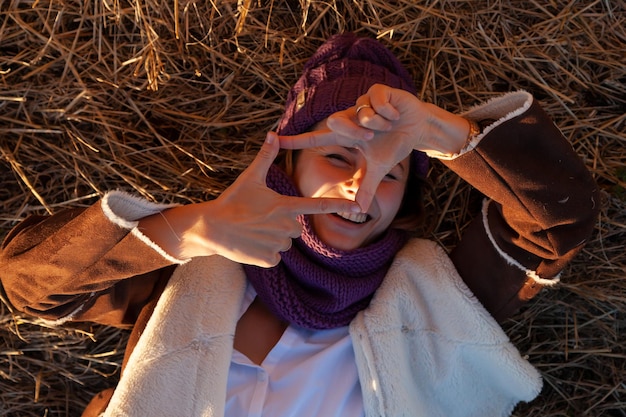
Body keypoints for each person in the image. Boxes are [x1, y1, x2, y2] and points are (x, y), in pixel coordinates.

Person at [0, 33, 599, 417]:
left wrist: (440, 134)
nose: (360, 189)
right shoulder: (197, 272)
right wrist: (187, 229)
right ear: (288, 163)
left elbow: (559, 221)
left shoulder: (436, 295)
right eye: (338, 158)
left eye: (390, 173)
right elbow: (28, 286)